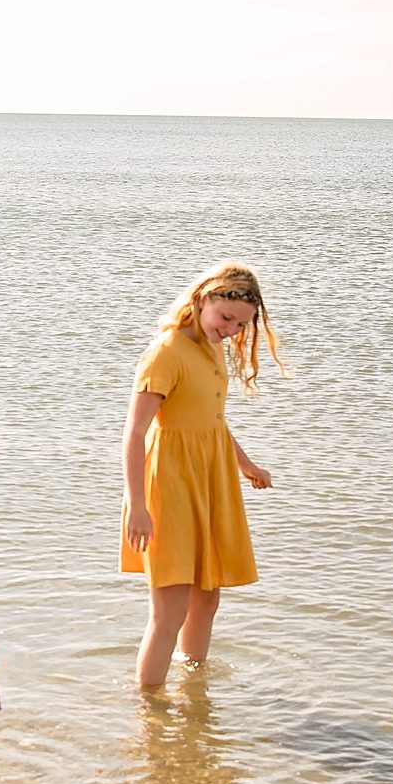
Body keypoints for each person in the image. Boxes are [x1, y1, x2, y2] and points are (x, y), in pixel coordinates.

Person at [119, 263, 279, 688]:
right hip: (169, 484)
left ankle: (194, 698)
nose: (230, 330)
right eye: (225, 318)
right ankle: (150, 711)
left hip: (210, 479)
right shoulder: (166, 351)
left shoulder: (210, 347)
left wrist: (245, 464)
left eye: (241, 324)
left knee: (207, 598)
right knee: (169, 608)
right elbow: (134, 432)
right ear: (201, 299)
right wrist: (137, 505)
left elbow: (210, 419)